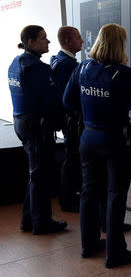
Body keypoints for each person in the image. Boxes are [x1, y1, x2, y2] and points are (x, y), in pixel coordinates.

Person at [63, 23, 131, 268]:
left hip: (88, 138)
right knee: (115, 195)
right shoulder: (125, 74)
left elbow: (67, 100)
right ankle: (115, 253)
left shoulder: (83, 68)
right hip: (115, 140)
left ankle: (89, 245)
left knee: (89, 192)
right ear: (120, 45)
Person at [8, 25, 67, 235]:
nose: (48, 41)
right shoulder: (37, 69)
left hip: (21, 123)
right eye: (43, 38)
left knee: (36, 174)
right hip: (37, 127)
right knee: (41, 176)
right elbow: (52, 100)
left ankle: (28, 219)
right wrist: (63, 121)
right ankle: (42, 223)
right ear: (31, 42)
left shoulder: (16, 63)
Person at [50, 26, 84, 212]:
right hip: (72, 120)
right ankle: (69, 199)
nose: (82, 41)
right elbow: (68, 97)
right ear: (68, 42)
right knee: (72, 159)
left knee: (71, 158)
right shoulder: (68, 66)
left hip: (68, 119)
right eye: (78, 38)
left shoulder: (58, 60)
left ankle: (69, 197)